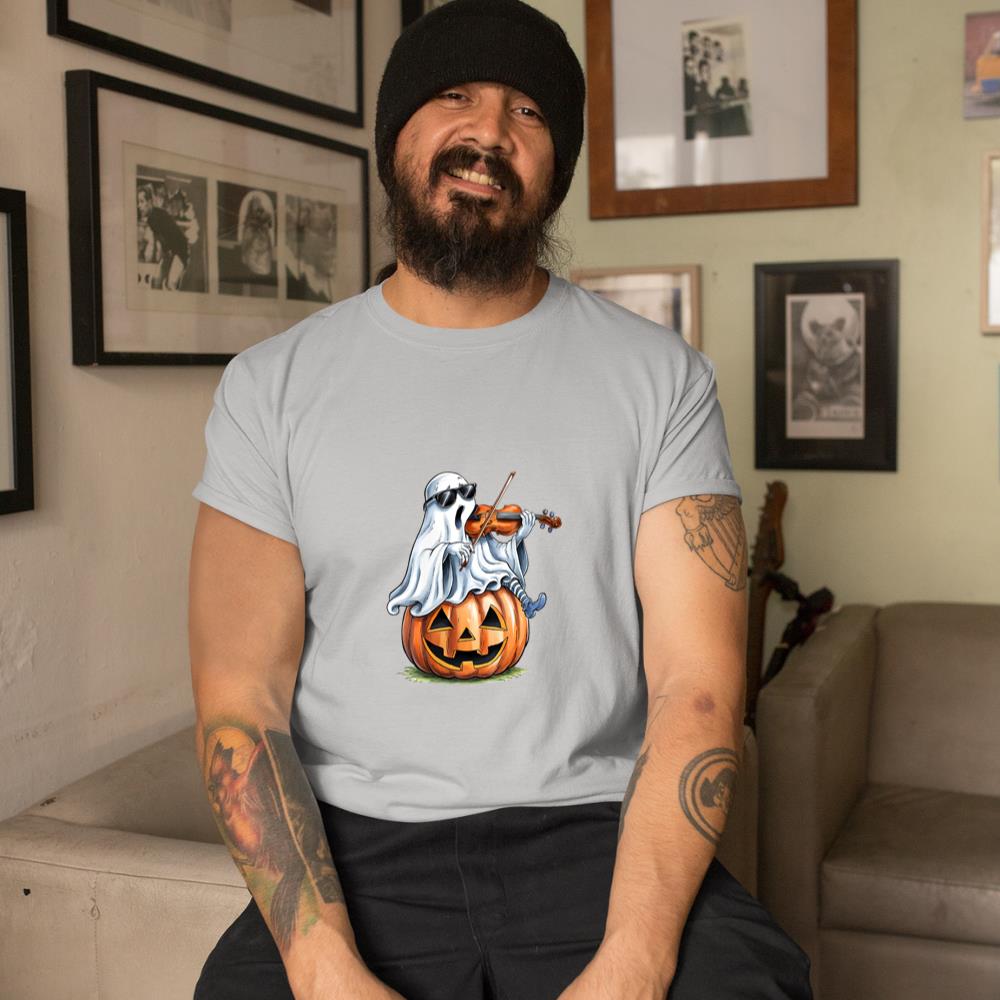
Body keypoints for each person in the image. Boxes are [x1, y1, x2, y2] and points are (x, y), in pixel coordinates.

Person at [188, 2, 814, 998]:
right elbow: (240, 700)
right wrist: (321, 966)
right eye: (454, 97)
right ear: (395, 138)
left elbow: (696, 687)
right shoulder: (271, 388)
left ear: (555, 168)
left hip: (595, 832)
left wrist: (635, 960)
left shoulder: (662, 380)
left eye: (527, 111)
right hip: (356, 844)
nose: (488, 132)